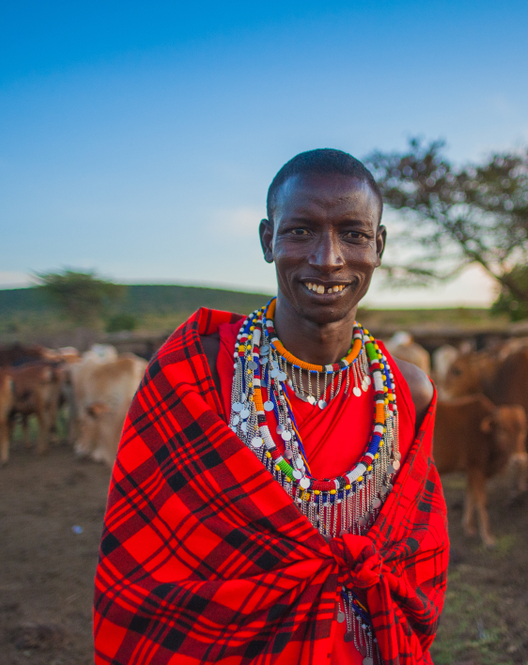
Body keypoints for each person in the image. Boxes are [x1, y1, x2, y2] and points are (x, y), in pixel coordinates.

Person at [93, 149, 449, 665]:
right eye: (301, 230)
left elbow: (417, 562)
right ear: (267, 240)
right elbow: (149, 574)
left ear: (379, 245)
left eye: (353, 233)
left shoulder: (407, 392)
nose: (328, 258)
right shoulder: (195, 377)